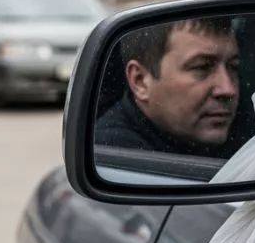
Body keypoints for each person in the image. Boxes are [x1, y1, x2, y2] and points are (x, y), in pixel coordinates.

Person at [96, 17, 240, 156]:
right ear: (140, 81)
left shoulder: (244, 134)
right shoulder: (110, 150)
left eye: (234, 67)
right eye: (202, 67)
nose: (228, 89)